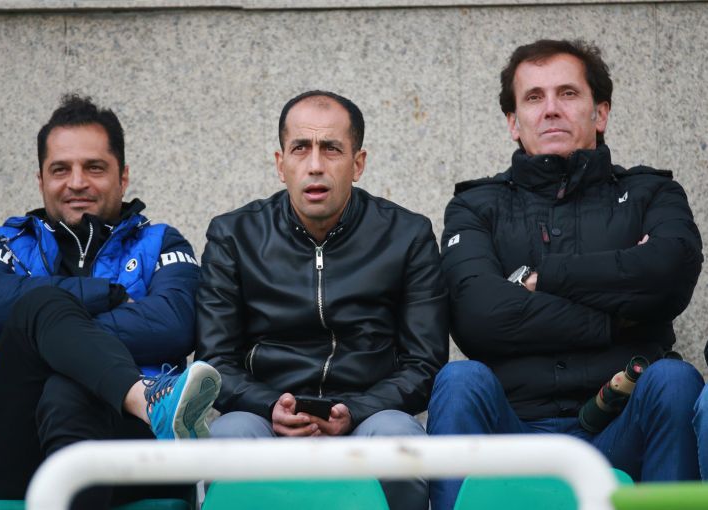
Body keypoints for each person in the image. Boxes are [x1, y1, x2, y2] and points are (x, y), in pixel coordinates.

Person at [427, 39, 705, 510]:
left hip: (622, 425)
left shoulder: (652, 193)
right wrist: (620, 316)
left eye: (568, 93)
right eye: (534, 97)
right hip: (513, 430)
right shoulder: (474, 207)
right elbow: (479, 317)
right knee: (459, 381)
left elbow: (666, 279)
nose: (551, 109)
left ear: (601, 113)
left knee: (674, 380)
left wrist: (543, 278)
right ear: (513, 122)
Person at [0, 94, 221, 507]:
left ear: (123, 177)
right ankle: (147, 399)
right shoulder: (8, 242)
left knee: (65, 383)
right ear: (40, 180)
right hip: (16, 445)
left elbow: (175, 323)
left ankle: (137, 402)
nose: (77, 182)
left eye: (94, 167)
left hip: (134, 447)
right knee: (40, 307)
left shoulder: (161, 242)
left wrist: (49, 336)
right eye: (60, 169)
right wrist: (106, 295)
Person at [195, 90, 449, 510]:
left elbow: (425, 363)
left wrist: (354, 409)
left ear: (358, 163)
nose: (315, 165)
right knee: (227, 436)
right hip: (264, 416)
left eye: (331, 148)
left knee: (397, 438)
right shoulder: (234, 236)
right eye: (300, 148)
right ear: (281, 164)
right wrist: (270, 405)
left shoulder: (407, 236)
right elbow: (214, 361)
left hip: (368, 416)